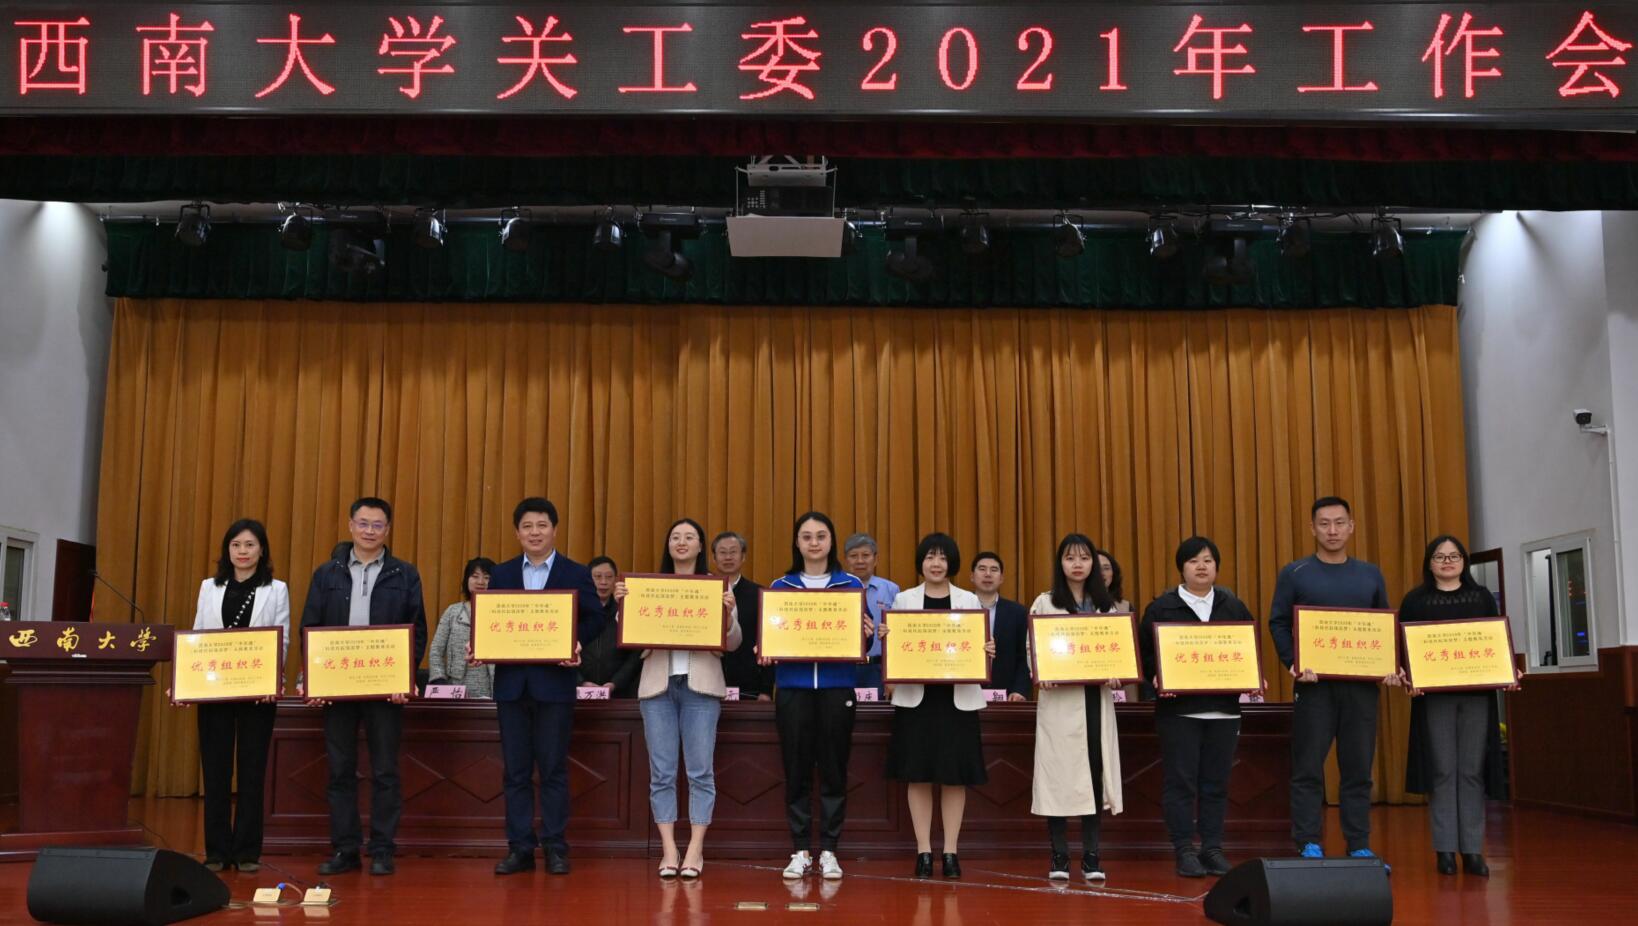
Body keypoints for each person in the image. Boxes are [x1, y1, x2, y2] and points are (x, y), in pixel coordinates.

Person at [301, 497, 428, 877]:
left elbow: (417, 630)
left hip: (385, 688)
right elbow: (311, 627)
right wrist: (314, 678)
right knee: (340, 770)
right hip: (337, 687)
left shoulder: (404, 574)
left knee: (385, 770)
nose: (369, 531)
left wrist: (404, 677)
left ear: (387, 530)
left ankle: (383, 849)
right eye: (363, 523)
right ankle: (345, 849)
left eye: (377, 525)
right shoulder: (327, 574)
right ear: (351, 525)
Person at [1269, 496, 1397, 864]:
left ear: (1351, 527)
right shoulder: (1295, 573)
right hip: (1314, 687)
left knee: (1357, 769)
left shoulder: (1370, 574)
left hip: (1361, 688)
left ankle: (1358, 843)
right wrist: (1293, 662)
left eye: (1340, 523)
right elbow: (1278, 622)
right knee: (1308, 767)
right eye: (1324, 523)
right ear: (1312, 528)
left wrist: (1389, 664)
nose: (1332, 530)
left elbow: (1383, 624)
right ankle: (1308, 841)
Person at [616, 519, 743, 879]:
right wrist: (624, 606)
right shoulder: (647, 587)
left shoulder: (716, 588)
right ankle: (669, 849)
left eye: (690, 537)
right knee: (662, 773)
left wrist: (729, 615)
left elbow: (734, 642)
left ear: (701, 546)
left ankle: (695, 849)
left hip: (701, 686)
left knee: (700, 771)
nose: (682, 542)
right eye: (675, 537)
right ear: (668, 545)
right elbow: (626, 633)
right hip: (657, 686)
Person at [486, 497, 605, 876]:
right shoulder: (501, 574)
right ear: (517, 532)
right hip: (512, 686)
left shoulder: (576, 572)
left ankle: (555, 846)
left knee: (553, 770)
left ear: (554, 530)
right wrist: (480, 646)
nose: (534, 532)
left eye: (541, 525)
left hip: (554, 685)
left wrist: (575, 642)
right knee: (515, 772)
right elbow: (491, 623)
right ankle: (520, 848)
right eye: (527, 526)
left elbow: (596, 618)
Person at [1139, 537, 1255, 878]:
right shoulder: (1162, 608)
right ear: (1182, 568)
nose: (1201, 566)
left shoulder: (1233, 606)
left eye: (1207, 560)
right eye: (1193, 561)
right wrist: (1156, 677)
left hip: (1224, 711)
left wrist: (1252, 675)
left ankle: (1212, 848)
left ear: (1216, 566)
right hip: (1179, 712)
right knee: (1181, 783)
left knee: (1216, 783)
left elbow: (1247, 649)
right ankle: (1184, 849)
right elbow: (1144, 654)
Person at [767, 512, 874, 881]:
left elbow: (863, 644)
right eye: (807, 536)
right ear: (797, 543)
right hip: (793, 689)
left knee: (833, 769)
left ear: (831, 542)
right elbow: (771, 636)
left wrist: (867, 635)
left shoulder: (850, 585)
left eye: (821, 536)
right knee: (795, 770)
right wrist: (765, 646)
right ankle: (799, 849)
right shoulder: (781, 587)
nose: (814, 543)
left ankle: (829, 850)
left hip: (836, 688)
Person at [1398, 535, 1512, 878]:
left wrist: (1508, 669)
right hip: (1434, 698)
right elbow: (1402, 648)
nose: (1447, 562)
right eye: (1439, 556)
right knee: (1443, 771)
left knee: (1472, 771)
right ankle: (1445, 850)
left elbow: (1495, 641)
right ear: (1429, 563)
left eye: (1454, 556)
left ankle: (1473, 850)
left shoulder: (1481, 597)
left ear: (1464, 561)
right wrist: (1406, 675)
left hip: (1476, 696)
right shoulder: (1415, 600)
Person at [885, 533, 995, 879]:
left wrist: (986, 651)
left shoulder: (969, 600)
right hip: (916, 700)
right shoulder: (904, 600)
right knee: (917, 776)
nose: (936, 564)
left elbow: (978, 646)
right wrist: (889, 642)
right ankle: (923, 851)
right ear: (921, 562)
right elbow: (895, 649)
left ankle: (950, 851)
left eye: (943, 558)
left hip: (956, 701)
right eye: (930, 557)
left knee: (954, 777)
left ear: (952, 563)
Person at [191, 518, 290, 872]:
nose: (243, 551)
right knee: (215, 771)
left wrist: (272, 681)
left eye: (250, 545)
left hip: (257, 695)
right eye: (236, 545)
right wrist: (188, 681)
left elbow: (281, 639)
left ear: (261, 550)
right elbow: (198, 637)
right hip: (214, 693)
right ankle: (217, 851)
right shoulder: (209, 587)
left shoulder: (276, 589)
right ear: (227, 550)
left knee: (252, 771)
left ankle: (247, 851)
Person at [1028, 533, 1124, 882]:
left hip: (1094, 701)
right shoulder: (1044, 603)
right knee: (1058, 778)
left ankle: (1092, 856)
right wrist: (1040, 674)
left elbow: (1118, 652)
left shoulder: (1107, 606)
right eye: (1070, 558)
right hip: (1059, 703)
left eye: (1084, 558)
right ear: (1060, 564)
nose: (1078, 564)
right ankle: (1059, 854)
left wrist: (1118, 674)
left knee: (1094, 776)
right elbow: (1032, 649)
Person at [714, 531, 772, 700]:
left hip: (750, 684)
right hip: (710, 682)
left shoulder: (759, 593)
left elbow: (768, 642)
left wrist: (766, 690)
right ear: (714, 558)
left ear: (743, 557)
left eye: (733, 552)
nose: (728, 557)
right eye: (722, 552)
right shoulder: (704, 593)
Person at [428, 557, 496, 698]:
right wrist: (439, 680)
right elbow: (436, 650)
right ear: (466, 580)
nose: (480, 582)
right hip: (455, 688)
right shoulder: (452, 612)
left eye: (487, 577)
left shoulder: (500, 613)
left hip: (493, 689)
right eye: (475, 576)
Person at [970, 551, 1031, 701]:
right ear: (972, 576)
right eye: (982, 569)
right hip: (965, 694)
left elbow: (1024, 656)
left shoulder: (1018, 612)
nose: (988, 574)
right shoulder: (959, 610)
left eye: (994, 570)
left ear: (1001, 578)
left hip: (1007, 695)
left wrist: (1019, 690)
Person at [844, 532, 900, 691]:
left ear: (875, 559)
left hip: (878, 669)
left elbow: (898, 634)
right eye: (853, 556)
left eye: (865, 555)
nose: (860, 561)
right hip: (844, 668)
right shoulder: (837, 590)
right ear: (846, 560)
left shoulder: (891, 589)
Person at [579, 556, 640, 698]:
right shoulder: (576, 611)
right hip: (579, 692)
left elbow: (636, 654)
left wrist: (615, 683)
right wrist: (581, 682)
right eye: (597, 577)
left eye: (609, 577)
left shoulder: (625, 611)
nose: (603, 582)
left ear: (615, 580)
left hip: (620, 693)